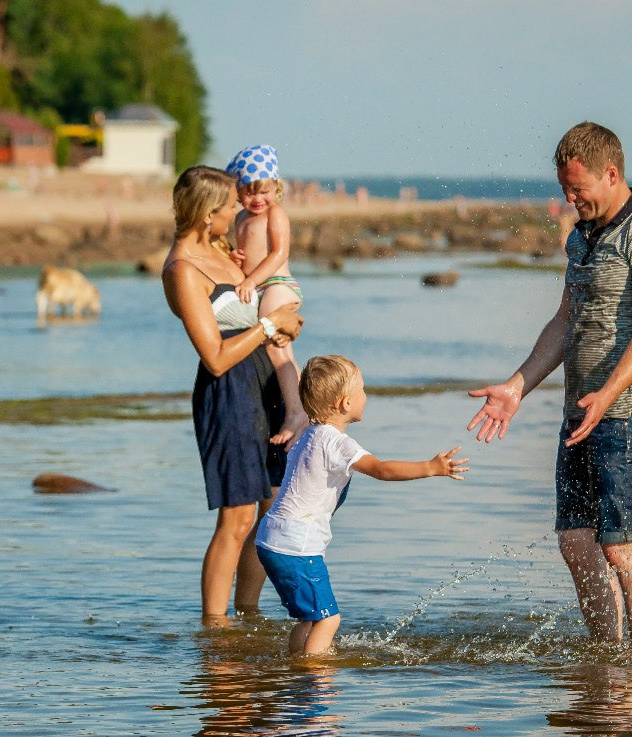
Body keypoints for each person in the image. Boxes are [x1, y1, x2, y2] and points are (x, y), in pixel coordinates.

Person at [467, 121, 632, 648]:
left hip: (629, 413)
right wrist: (518, 386)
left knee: (623, 549)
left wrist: (607, 395)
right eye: (565, 188)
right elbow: (566, 320)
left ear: (611, 174)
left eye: (578, 188)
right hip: (580, 414)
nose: (569, 199)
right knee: (574, 542)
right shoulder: (581, 236)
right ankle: (605, 654)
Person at [162, 165, 305, 619]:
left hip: (265, 381)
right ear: (207, 214)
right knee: (236, 518)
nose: (238, 212)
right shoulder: (183, 269)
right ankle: (214, 627)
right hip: (229, 393)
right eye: (229, 207)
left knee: (269, 513)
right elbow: (215, 357)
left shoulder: (224, 248)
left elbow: (262, 296)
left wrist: (284, 323)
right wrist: (269, 325)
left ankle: (248, 614)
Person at [256, 354, 468, 656]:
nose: (366, 397)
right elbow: (380, 469)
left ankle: (297, 667)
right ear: (344, 403)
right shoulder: (338, 443)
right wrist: (430, 467)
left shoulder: (308, 437)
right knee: (329, 619)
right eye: (363, 390)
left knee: (310, 618)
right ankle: (315, 674)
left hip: (271, 539)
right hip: (297, 545)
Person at [226, 145, 309, 447]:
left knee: (275, 342)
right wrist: (236, 260)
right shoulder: (239, 220)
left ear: (276, 187)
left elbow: (278, 254)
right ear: (237, 192)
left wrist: (250, 279)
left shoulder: (276, 213)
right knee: (278, 349)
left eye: (264, 191)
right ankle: (298, 405)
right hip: (258, 286)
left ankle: (296, 412)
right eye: (249, 192)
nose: (258, 199)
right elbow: (246, 254)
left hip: (278, 284)